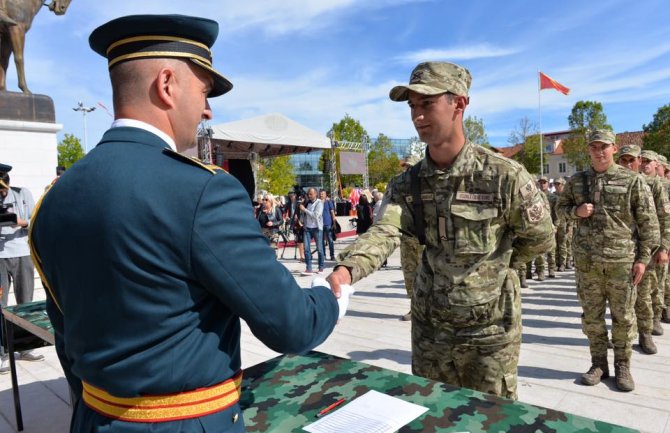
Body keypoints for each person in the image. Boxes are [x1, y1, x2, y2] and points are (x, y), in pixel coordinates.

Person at [29, 14, 340, 433]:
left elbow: (66, 336)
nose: (208, 110)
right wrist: (330, 295)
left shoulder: (53, 199)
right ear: (167, 84)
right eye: (204, 91)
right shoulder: (201, 191)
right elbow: (292, 326)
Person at [327, 61, 555, 399]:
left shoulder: (503, 175)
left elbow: (541, 238)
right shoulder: (408, 183)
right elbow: (385, 231)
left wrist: (492, 271)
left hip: (488, 334)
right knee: (433, 415)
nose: (418, 115)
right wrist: (347, 270)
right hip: (431, 331)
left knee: (492, 420)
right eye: (413, 106)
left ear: (459, 103)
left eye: (427, 103)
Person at [557, 130, 659, 392]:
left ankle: (623, 365)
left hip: (621, 262)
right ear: (588, 150)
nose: (599, 151)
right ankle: (598, 363)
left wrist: (643, 260)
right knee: (591, 317)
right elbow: (560, 210)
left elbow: (649, 224)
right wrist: (576, 212)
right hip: (587, 263)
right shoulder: (577, 181)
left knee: (624, 317)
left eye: (604, 146)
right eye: (594, 147)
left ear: (614, 148)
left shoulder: (632, 181)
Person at [1, 170, 44, 372]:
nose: (2, 194)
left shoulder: (22, 194)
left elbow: (36, 220)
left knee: (25, 302)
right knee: (1, 306)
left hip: (21, 253)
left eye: (3, 189)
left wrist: (20, 222)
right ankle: (2, 353)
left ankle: (27, 347)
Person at [638, 150, 669, 339]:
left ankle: (656, 318)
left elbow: (666, 218)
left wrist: (665, 247)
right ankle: (643, 325)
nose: (645, 164)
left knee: (658, 284)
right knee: (641, 287)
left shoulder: (663, 185)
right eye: (643, 161)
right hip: (639, 243)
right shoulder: (635, 181)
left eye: (648, 161)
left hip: (658, 244)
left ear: (657, 164)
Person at [300, 187, 324, 275]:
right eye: (308, 194)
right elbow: (304, 215)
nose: (309, 196)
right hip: (307, 229)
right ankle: (309, 268)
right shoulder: (307, 203)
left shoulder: (319, 203)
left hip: (317, 229)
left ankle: (321, 267)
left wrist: (304, 210)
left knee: (319, 249)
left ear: (316, 194)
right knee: (306, 249)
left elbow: (316, 215)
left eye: (311, 194)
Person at [320, 189, 337, 261]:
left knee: (330, 240)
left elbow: (332, 212)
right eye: (320, 194)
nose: (321, 195)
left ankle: (332, 255)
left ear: (325, 194)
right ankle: (323, 255)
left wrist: (334, 222)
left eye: (322, 194)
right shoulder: (318, 202)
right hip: (320, 224)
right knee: (321, 241)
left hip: (328, 223)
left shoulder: (328, 202)